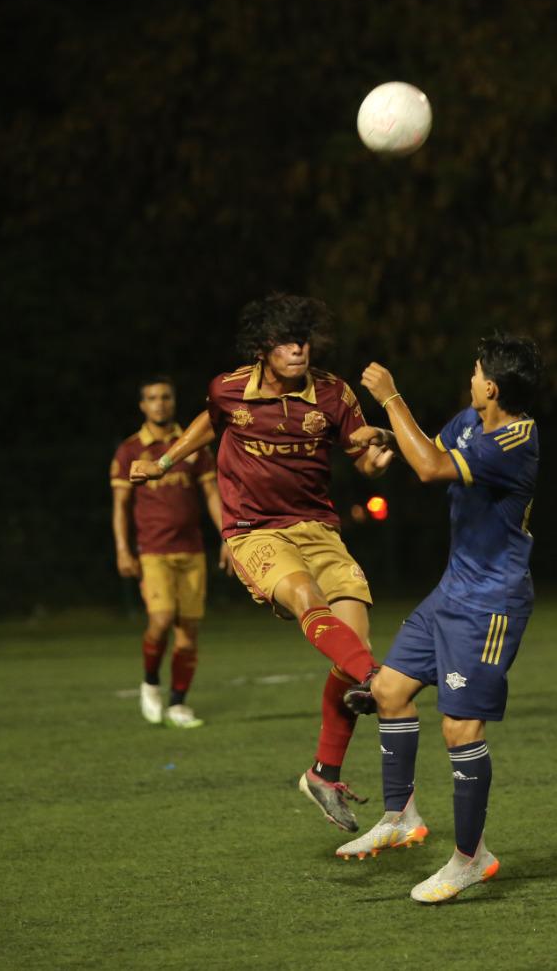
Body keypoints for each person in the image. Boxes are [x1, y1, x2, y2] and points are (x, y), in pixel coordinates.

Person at [129, 294, 394, 832]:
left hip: (320, 530)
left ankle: (324, 772)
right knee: (306, 601)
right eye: (285, 342)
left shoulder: (334, 393)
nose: (298, 349)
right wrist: (163, 462)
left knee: (352, 643)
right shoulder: (229, 389)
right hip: (254, 531)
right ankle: (376, 677)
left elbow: (362, 456)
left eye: (304, 340)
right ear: (262, 349)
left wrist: (376, 454)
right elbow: (208, 421)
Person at [343, 333, 543, 904]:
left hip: (491, 604)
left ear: (494, 387)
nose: (471, 375)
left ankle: (470, 858)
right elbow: (426, 450)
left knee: (460, 729)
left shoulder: (514, 439)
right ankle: (401, 816)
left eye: (477, 370)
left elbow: (431, 469)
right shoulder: (469, 420)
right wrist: (385, 440)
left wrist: (390, 399)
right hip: (451, 591)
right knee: (387, 688)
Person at [110, 375, 226, 729]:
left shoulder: (191, 445)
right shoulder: (130, 450)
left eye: (165, 397)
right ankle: (150, 681)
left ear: (173, 402)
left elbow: (211, 495)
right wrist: (123, 550)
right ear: (142, 406)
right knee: (160, 621)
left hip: (191, 551)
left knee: (188, 631)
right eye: (152, 398)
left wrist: (228, 537)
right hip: (153, 552)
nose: (160, 403)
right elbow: (121, 505)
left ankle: (178, 704)